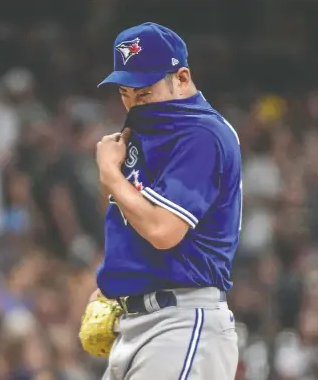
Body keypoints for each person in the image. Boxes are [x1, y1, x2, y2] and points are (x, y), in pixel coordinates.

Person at [80, 22, 242, 379]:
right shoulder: (146, 133)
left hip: (181, 323)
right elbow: (126, 219)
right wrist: (115, 287)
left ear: (181, 78)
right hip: (140, 323)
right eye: (125, 92)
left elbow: (162, 230)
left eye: (145, 92)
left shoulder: (201, 134)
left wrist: (109, 174)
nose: (134, 103)